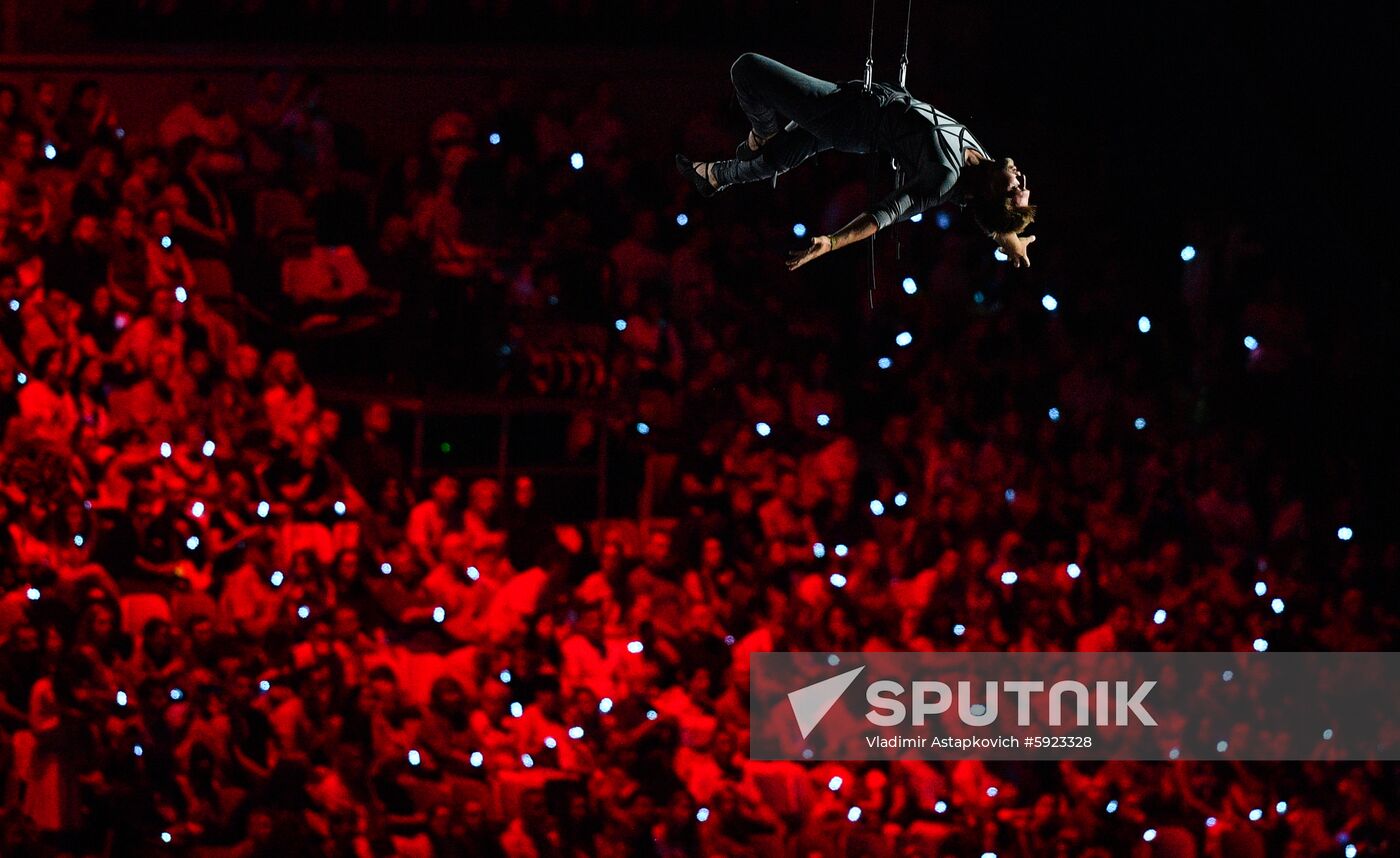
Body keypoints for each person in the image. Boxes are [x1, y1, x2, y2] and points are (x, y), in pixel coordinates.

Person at [676, 53, 1037, 269]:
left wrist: (831, 243)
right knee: (776, 159)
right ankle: (713, 176)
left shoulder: (945, 176)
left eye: (1018, 189)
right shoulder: (987, 164)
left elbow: (883, 214)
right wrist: (1006, 236)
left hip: (845, 118)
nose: (1022, 179)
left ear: (996, 194)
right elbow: (989, 210)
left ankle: (763, 132)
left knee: (747, 69)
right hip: (856, 111)